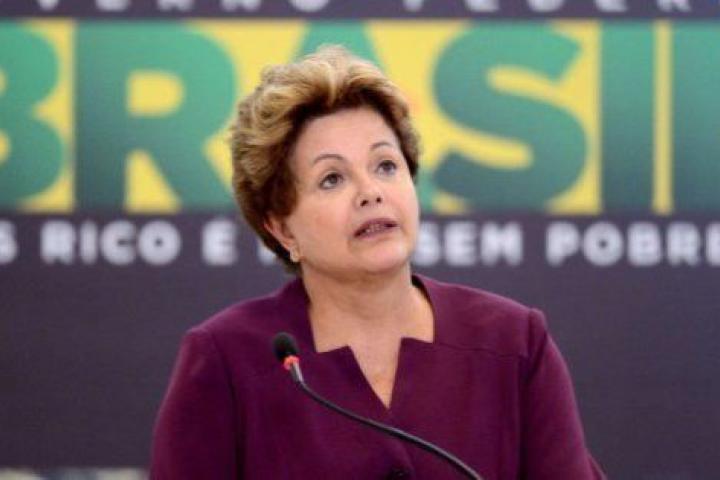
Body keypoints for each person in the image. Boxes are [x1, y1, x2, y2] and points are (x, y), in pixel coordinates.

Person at [150, 45, 606, 479]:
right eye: (332, 179)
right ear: (282, 228)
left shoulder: (514, 342)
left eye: (386, 165)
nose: (371, 192)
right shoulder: (228, 361)